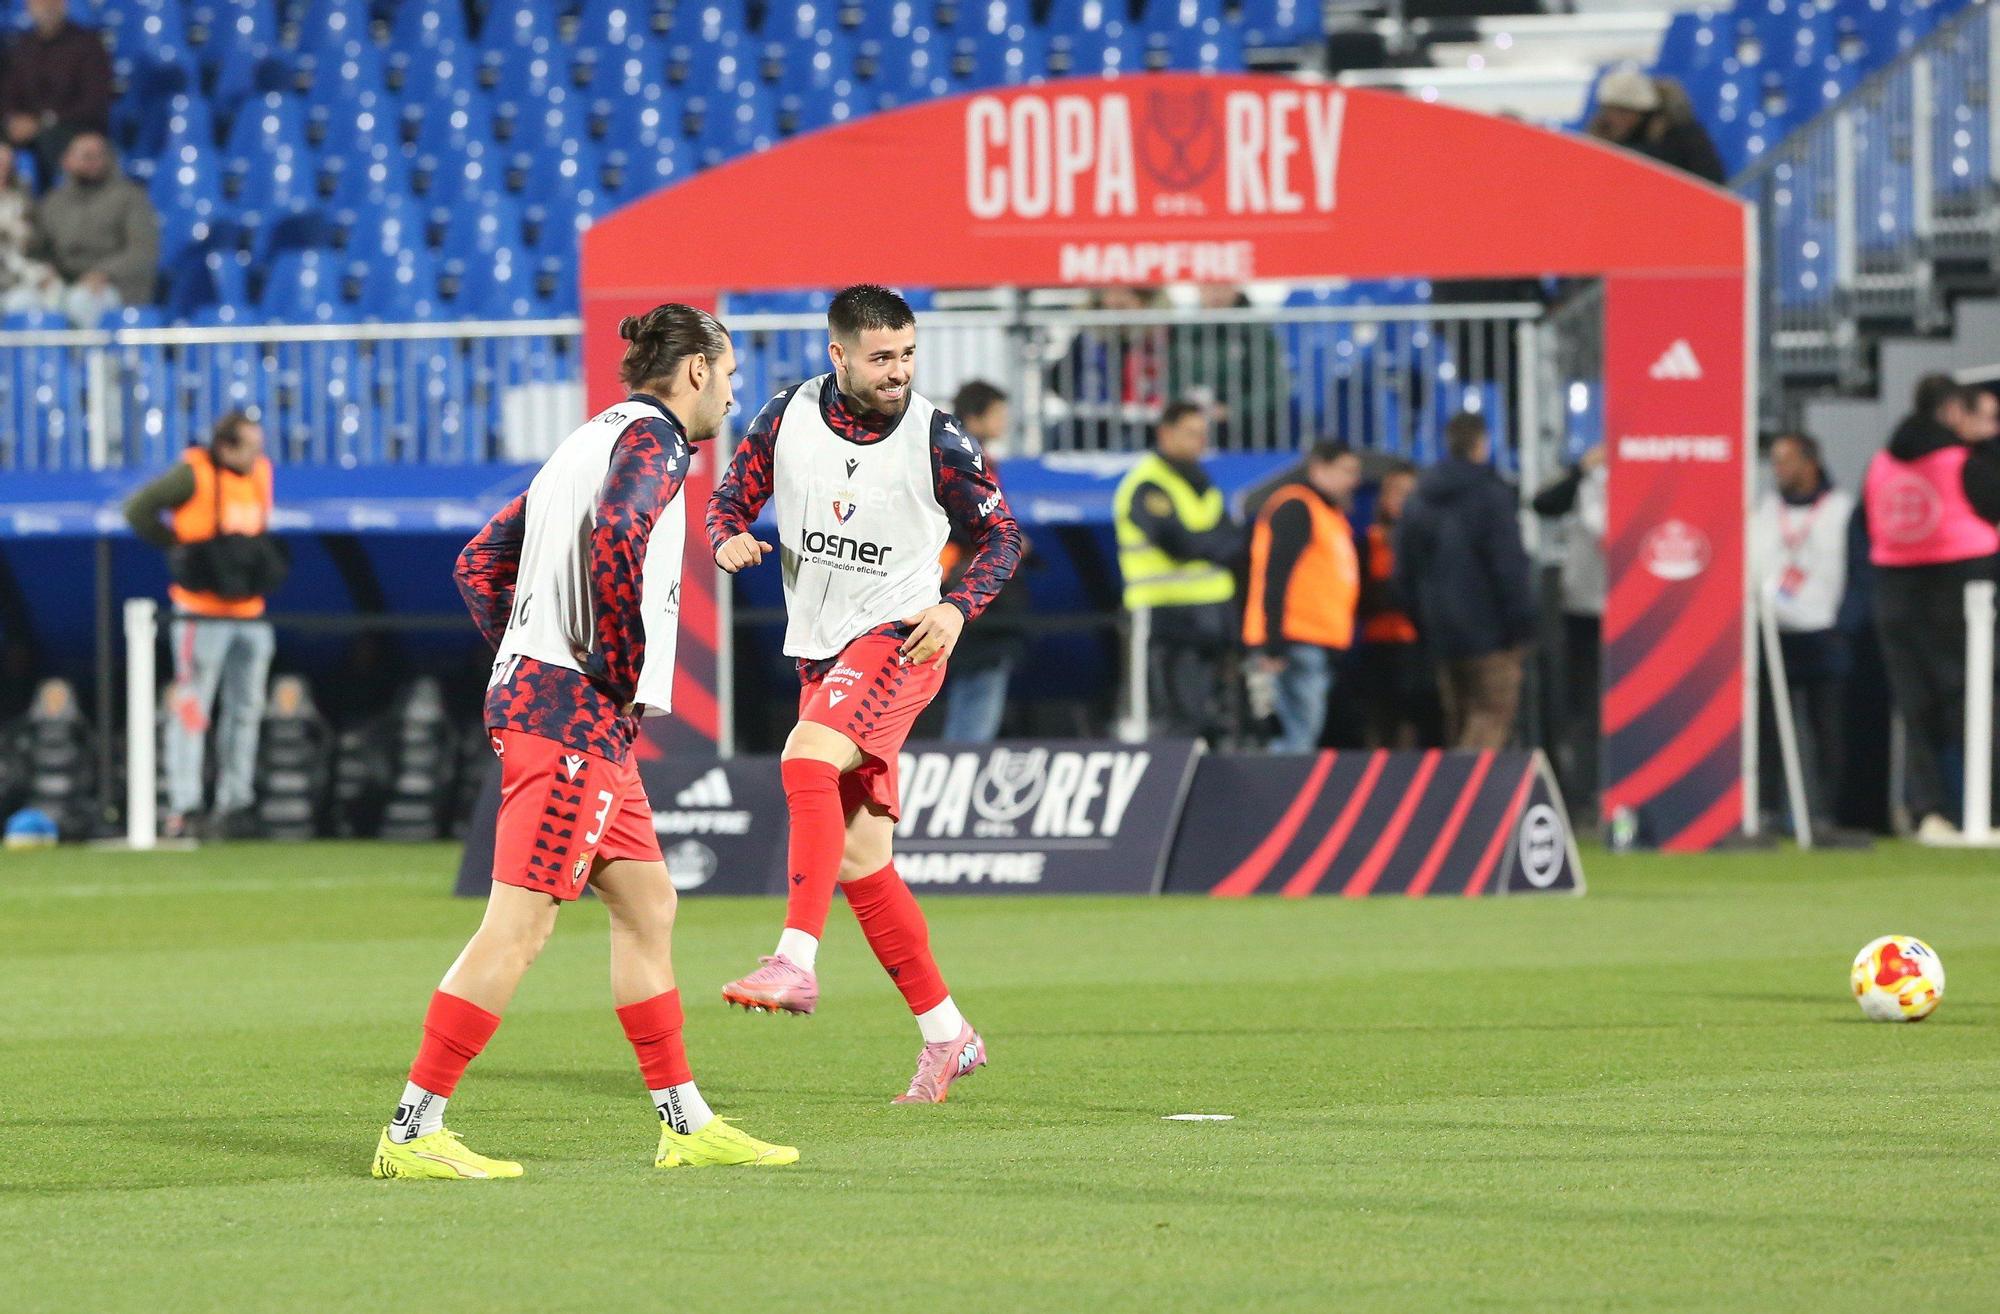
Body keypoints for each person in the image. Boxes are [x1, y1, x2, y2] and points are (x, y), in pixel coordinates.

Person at [371, 305, 797, 1179]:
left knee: (648, 906)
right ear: (696, 371)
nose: (731, 393)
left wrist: (531, 658)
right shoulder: (658, 442)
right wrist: (613, 662)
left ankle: (685, 1122)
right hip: (572, 716)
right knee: (517, 930)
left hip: (567, 708)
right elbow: (619, 532)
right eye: (728, 373)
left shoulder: (584, 441)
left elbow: (478, 563)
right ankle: (412, 1130)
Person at [707, 284, 1022, 1104]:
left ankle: (795, 961)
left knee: (805, 759)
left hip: (899, 637)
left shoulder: (937, 436)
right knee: (862, 863)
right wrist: (727, 534)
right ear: (838, 355)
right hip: (820, 652)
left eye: (908, 354)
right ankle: (949, 1035)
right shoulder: (785, 416)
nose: (899, 371)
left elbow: (1002, 535)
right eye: (882, 357)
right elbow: (729, 498)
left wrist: (956, 608)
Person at [123, 412, 287, 841]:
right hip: (200, 611)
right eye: (250, 445)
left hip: (249, 609)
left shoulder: (260, 472)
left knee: (246, 709)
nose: (258, 454)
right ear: (226, 446)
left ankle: (236, 802)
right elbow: (138, 510)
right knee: (193, 708)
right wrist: (181, 547)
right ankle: (186, 805)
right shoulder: (191, 474)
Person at [1864, 375, 2000, 843]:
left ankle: (1929, 814)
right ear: (1953, 412)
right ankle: (1990, 812)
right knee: (1976, 703)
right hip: (1963, 594)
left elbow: (1867, 525)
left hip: (1894, 596)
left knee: (1915, 708)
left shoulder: (1880, 464)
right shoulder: (1965, 464)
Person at [1396, 411, 1537, 750]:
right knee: (1491, 716)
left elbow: (1404, 574)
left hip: (1440, 634)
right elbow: (1508, 566)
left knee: (1458, 720)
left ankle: (1455, 781)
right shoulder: (1491, 495)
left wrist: (1424, 624)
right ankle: (1470, 783)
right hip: (1491, 634)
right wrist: (1522, 626)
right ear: (1481, 444)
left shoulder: (1418, 499)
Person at [1112, 399, 1242, 740]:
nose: (1199, 441)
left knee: (1208, 712)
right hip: (1162, 615)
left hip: (1211, 613)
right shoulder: (1146, 484)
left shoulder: (1201, 482)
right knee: (1166, 714)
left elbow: (1234, 540)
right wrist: (1211, 544)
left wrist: (1206, 544)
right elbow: (1179, 543)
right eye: (1190, 433)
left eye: (1202, 433)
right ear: (1165, 434)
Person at [1752, 431, 1859, 839]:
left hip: (1824, 633)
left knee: (1828, 731)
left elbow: (1860, 573)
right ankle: (1767, 811)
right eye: (1775, 460)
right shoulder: (1765, 509)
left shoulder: (1842, 509)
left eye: (1786, 459)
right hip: (1772, 632)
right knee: (1767, 732)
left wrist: (1844, 627)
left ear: (1810, 462)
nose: (1778, 469)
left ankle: (1827, 815)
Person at [1243, 442, 1362, 752]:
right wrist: (1273, 643)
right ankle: (1277, 786)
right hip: (1292, 641)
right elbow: (1276, 575)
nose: (1353, 480)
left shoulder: (1328, 514)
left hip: (1312, 641)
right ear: (1319, 468)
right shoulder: (1297, 507)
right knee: (1295, 741)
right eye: (1346, 471)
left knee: (1302, 736)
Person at [939, 379, 1028, 742]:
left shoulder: (969, 457)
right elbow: (960, 520)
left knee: (977, 689)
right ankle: (961, 762)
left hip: (976, 593)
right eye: (997, 414)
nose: (1004, 421)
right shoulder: (962, 460)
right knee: (976, 698)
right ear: (975, 417)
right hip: (972, 592)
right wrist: (1001, 539)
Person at [1531, 445, 1608, 819]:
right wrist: (1580, 469)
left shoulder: (1651, 471)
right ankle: (1584, 795)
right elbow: (1543, 503)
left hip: (1636, 610)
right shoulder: (1588, 477)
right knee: (1585, 708)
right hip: (1584, 608)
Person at [27, 130, 157, 325]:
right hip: (64, 283)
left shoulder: (130, 197)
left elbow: (143, 250)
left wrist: (104, 273)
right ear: (66, 160)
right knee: (23, 301)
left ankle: (91, 347)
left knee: (80, 301)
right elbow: (38, 250)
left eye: (99, 155)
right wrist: (46, 272)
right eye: (86, 156)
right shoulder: (53, 202)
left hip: (116, 286)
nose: (93, 162)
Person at [1354, 459, 1440, 748]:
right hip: (1380, 647)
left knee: (1425, 726)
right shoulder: (1368, 543)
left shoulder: (1433, 542)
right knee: (1383, 726)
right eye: (1394, 491)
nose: (1400, 499)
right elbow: (1359, 596)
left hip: (1423, 647)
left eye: (1408, 492)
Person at [1, 0, 112, 184]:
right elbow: (9, 93)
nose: (46, 8)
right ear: (28, 7)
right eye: (40, 3)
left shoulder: (88, 44)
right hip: (28, 126)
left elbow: (94, 102)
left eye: (52, 2)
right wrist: (13, 119)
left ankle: (58, 197)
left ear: (64, 5)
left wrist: (44, 121)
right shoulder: (23, 45)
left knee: (51, 140)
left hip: (71, 126)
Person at [1167, 283, 1290, 447]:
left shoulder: (1256, 330)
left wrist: (1233, 410)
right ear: (1199, 288)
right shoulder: (1184, 331)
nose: (1215, 294)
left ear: (1235, 288)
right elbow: (1172, 381)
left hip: (1248, 427)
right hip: (1195, 420)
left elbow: (1274, 388)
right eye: (1209, 286)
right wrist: (1189, 409)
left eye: (1222, 287)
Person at [1049, 284, 1167, 448]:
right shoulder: (1087, 338)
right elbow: (1059, 377)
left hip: (1145, 421)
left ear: (1143, 301)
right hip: (1094, 420)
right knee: (1061, 434)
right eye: (1112, 294)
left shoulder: (1160, 339)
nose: (1117, 302)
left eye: (1126, 295)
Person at [1586, 67, 1726, 185]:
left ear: (1643, 112)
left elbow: (1711, 181)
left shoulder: (1682, 136)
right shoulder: (1603, 135)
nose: (1615, 118)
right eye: (1610, 110)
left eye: (1624, 111)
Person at [0, 141, 55, 311]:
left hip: (20, 268)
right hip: (7, 273)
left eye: (7, 165)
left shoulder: (23, 199)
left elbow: (37, 240)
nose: (3, 170)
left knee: (52, 290)